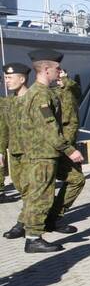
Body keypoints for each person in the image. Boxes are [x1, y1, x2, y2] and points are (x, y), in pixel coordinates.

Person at [8, 51, 84, 252]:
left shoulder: (41, 92)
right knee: (41, 194)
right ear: (46, 69)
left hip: (47, 152)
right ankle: (33, 238)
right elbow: (48, 127)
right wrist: (69, 150)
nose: (60, 72)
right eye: (58, 69)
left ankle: (50, 221)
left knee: (75, 179)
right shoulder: (40, 94)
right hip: (43, 154)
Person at [46, 63, 84, 233]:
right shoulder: (49, 94)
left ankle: (54, 216)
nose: (60, 76)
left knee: (76, 180)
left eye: (63, 74)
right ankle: (36, 221)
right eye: (58, 73)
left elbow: (76, 89)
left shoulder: (70, 92)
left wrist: (65, 79)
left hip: (69, 145)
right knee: (45, 184)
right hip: (56, 145)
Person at [0, 62, 31, 216]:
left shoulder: (35, 99)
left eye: (10, 77)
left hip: (33, 153)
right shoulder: (8, 102)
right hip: (15, 152)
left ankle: (27, 222)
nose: (7, 81)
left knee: (31, 187)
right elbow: (4, 128)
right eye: (6, 77)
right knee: (19, 185)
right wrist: (1, 151)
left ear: (22, 79)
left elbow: (49, 126)